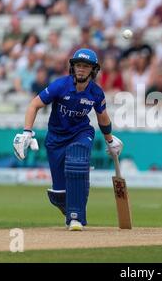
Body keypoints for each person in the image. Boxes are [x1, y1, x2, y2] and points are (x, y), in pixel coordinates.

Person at [12, 48, 123, 231]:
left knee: (77, 159)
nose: (81, 69)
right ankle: (73, 205)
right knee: (59, 195)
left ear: (93, 70)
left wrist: (110, 140)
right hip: (56, 138)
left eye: (85, 66)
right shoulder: (60, 86)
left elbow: (102, 117)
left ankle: (76, 217)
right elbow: (34, 104)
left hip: (81, 132)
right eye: (78, 65)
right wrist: (27, 132)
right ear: (73, 67)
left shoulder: (96, 92)